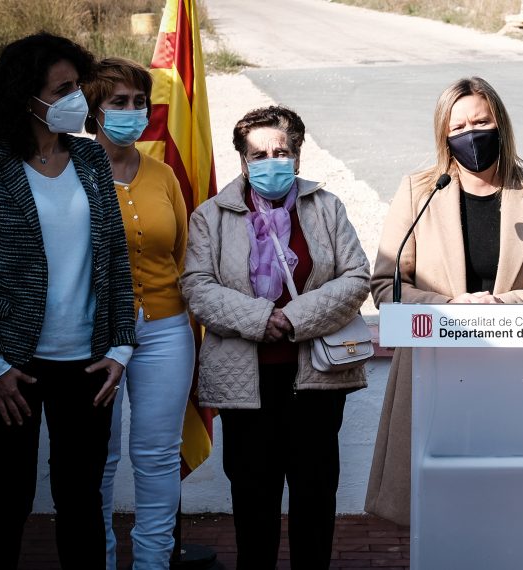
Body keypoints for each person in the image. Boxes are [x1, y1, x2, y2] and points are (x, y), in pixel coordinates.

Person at [0, 33, 136, 568]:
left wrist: (121, 347)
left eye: (78, 85)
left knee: (81, 502)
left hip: (88, 365)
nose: (78, 98)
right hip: (11, 368)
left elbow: (114, 260)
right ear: (26, 96)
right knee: (6, 501)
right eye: (64, 90)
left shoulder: (90, 158)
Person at [364, 76, 523, 525]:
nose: (471, 134)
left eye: (481, 121)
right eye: (458, 127)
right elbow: (386, 284)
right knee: (434, 508)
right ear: (444, 135)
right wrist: (450, 307)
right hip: (432, 368)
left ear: (501, 123)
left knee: (502, 508)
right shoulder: (420, 191)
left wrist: (502, 307)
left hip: (513, 373)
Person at [181, 105, 370, 569]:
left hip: (317, 380)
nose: (271, 160)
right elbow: (197, 287)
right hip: (244, 386)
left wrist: (294, 318)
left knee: (315, 495)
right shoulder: (213, 216)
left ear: (298, 156)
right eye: (259, 153)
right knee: (252, 500)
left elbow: (356, 276)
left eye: (281, 151)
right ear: (243, 161)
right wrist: (261, 318)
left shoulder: (326, 207)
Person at [82, 57, 194, 570]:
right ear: (92, 111)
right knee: (97, 461)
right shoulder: (73, 173)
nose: (132, 112)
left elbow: (184, 256)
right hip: (95, 336)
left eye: (138, 102)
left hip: (167, 331)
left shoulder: (164, 174)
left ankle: (153, 563)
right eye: (118, 103)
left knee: (157, 457)